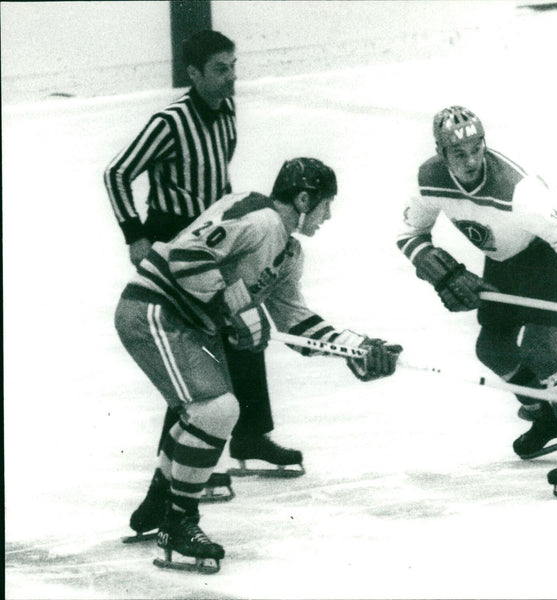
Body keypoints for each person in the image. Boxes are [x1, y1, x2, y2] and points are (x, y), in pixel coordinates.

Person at [114, 157, 403, 572]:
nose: (328, 215)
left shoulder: (289, 251)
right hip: (152, 309)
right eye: (325, 204)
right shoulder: (259, 217)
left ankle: (164, 497)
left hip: (180, 321)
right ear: (304, 199)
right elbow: (185, 254)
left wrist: (357, 348)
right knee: (216, 408)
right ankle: (178, 521)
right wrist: (230, 306)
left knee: (206, 410)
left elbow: (297, 323)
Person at [104, 31, 301, 541]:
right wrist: (137, 236)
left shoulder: (227, 111)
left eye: (233, 65)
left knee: (245, 328)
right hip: (179, 245)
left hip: (217, 238)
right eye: (219, 68)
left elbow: (219, 180)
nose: (231, 76)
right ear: (192, 75)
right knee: (194, 366)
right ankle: (165, 488)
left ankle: (252, 434)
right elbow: (118, 173)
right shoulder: (171, 121)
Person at [396, 106, 557, 497]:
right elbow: (409, 234)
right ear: (441, 153)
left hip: (545, 253)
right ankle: (546, 416)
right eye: (458, 153)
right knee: (492, 348)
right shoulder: (430, 179)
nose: (470, 161)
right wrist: (446, 273)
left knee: (540, 350)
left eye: (476, 148)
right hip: (504, 258)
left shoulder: (519, 191)